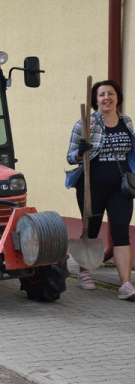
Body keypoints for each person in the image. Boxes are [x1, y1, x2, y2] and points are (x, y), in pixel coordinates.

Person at [66, 79, 135, 301]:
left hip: (121, 187)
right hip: (91, 185)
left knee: (121, 232)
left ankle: (125, 284)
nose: (107, 98)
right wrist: (80, 152)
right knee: (91, 230)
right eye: (102, 94)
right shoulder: (85, 123)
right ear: (95, 100)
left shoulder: (127, 121)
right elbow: (70, 156)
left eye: (111, 93)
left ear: (117, 97)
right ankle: (84, 272)